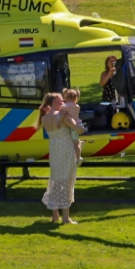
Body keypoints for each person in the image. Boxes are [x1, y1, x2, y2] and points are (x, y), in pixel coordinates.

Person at [37, 92, 84, 224]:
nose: (63, 103)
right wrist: (81, 126)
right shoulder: (63, 116)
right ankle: (66, 218)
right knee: (67, 182)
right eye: (61, 101)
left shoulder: (44, 119)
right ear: (54, 103)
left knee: (56, 181)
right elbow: (78, 130)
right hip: (66, 150)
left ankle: (55, 216)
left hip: (55, 150)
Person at [61, 88, 84, 161]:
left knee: (74, 143)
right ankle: (80, 145)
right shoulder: (77, 106)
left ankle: (78, 157)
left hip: (72, 126)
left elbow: (61, 112)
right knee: (76, 141)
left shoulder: (66, 106)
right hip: (79, 124)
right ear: (75, 98)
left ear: (66, 97)